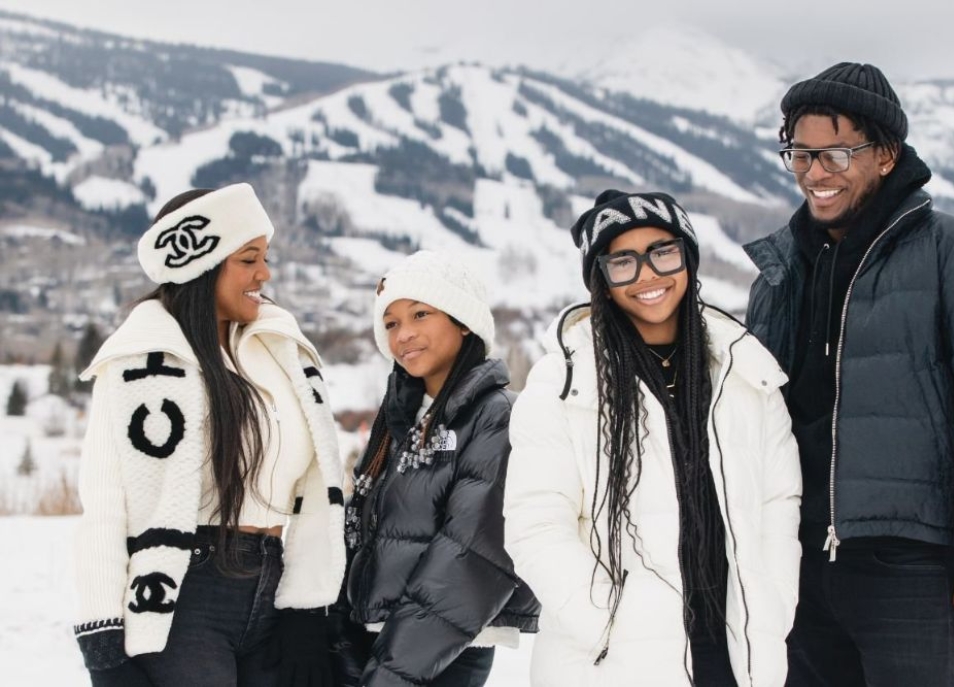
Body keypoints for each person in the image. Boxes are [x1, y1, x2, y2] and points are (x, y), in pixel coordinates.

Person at [744, 62, 954, 686]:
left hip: (911, 570)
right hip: (796, 564)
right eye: (800, 152)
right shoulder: (779, 273)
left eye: (837, 153)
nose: (814, 172)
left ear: (886, 154)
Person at [504, 189, 802, 687]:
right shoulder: (565, 384)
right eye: (623, 262)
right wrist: (608, 623)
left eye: (663, 252)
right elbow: (536, 526)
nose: (648, 275)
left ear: (688, 258)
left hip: (733, 651)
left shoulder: (743, 373)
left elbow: (778, 500)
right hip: (612, 662)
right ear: (600, 277)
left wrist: (771, 604)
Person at [73, 183, 347, 687]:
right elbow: (105, 505)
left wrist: (308, 609)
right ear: (202, 265)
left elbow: (317, 485)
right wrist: (103, 650)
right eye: (249, 259)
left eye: (265, 258)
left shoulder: (279, 350)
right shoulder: (139, 363)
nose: (264, 274)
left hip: (274, 586)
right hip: (184, 600)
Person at [335, 250, 539, 687]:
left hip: (446, 649)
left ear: (464, 321)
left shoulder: (497, 415)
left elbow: (473, 554)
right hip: (384, 641)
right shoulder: (400, 421)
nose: (403, 335)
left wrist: (392, 673)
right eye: (390, 324)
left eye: (420, 314)